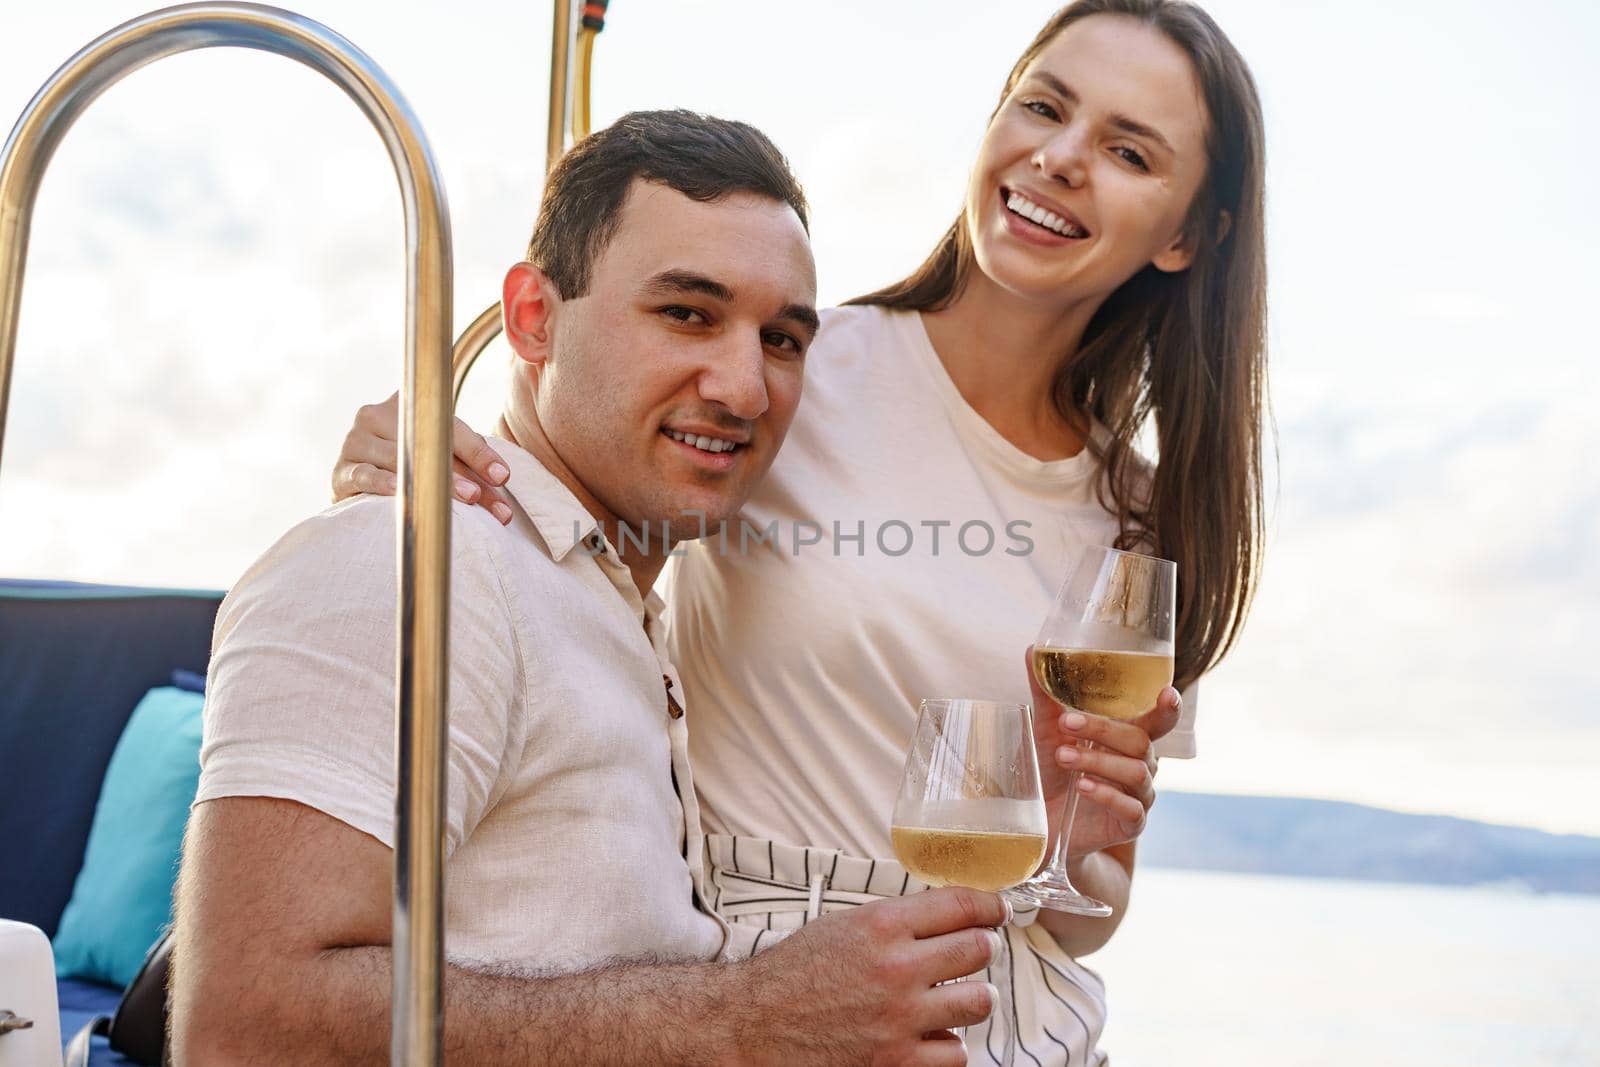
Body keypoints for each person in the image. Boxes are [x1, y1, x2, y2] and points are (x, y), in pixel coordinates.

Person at [333, 1, 1269, 1063]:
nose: (1059, 158)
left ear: (1190, 233)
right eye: (1043, 106)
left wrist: (1072, 832)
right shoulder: (787, 370)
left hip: (1006, 1021)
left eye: (1127, 151)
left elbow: (1077, 915)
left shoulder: (1145, 518)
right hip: (757, 988)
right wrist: (413, 445)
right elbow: (560, 484)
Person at [172, 110, 1013, 1067]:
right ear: (534, 318)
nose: (744, 387)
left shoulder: (618, 610)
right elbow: (244, 1025)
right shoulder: (413, 565)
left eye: (781, 338)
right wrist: (748, 1024)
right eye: (687, 313)